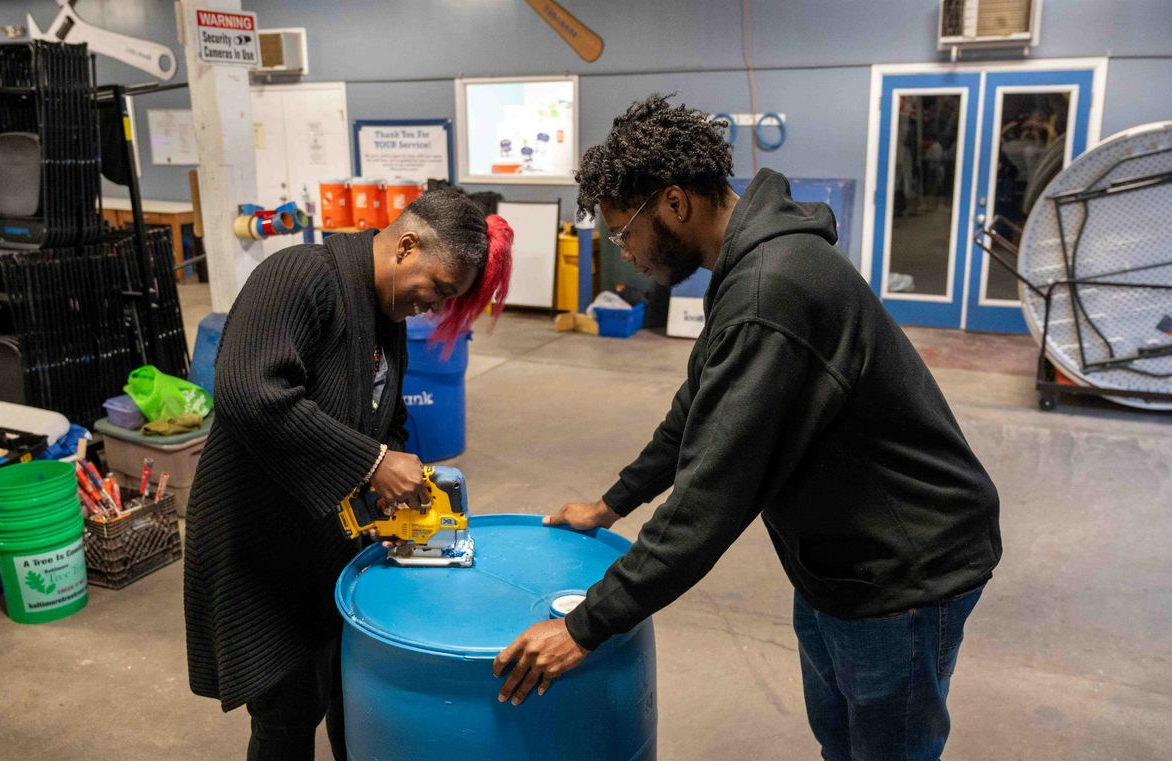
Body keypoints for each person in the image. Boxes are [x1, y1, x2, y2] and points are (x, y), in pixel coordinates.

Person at [493, 94, 1001, 761]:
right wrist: (614, 501)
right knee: (842, 742)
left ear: (674, 203)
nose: (626, 253)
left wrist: (587, 627)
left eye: (624, 233)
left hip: (905, 570)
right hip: (836, 560)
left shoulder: (772, 289)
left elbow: (714, 493)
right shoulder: (745, 269)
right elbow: (698, 408)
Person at [184, 189, 512, 761]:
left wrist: (395, 482)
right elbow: (248, 391)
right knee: (286, 718)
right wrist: (372, 463)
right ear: (407, 246)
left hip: (324, 547)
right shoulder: (299, 276)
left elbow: (385, 417)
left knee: (348, 696)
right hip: (258, 551)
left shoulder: (384, 312)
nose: (433, 307)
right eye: (437, 289)